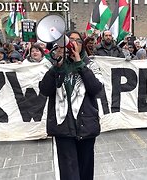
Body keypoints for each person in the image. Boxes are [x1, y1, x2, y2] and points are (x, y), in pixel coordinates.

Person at [39, 30, 103, 180]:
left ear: (82, 45)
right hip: (63, 126)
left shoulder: (91, 65)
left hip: (86, 124)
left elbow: (96, 89)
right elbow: (45, 90)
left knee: (86, 168)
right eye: (70, 40)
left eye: (78, 41)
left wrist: (80, 64)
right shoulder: (53, 65)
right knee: (69, 171)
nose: (73, 43)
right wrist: (57, 67)